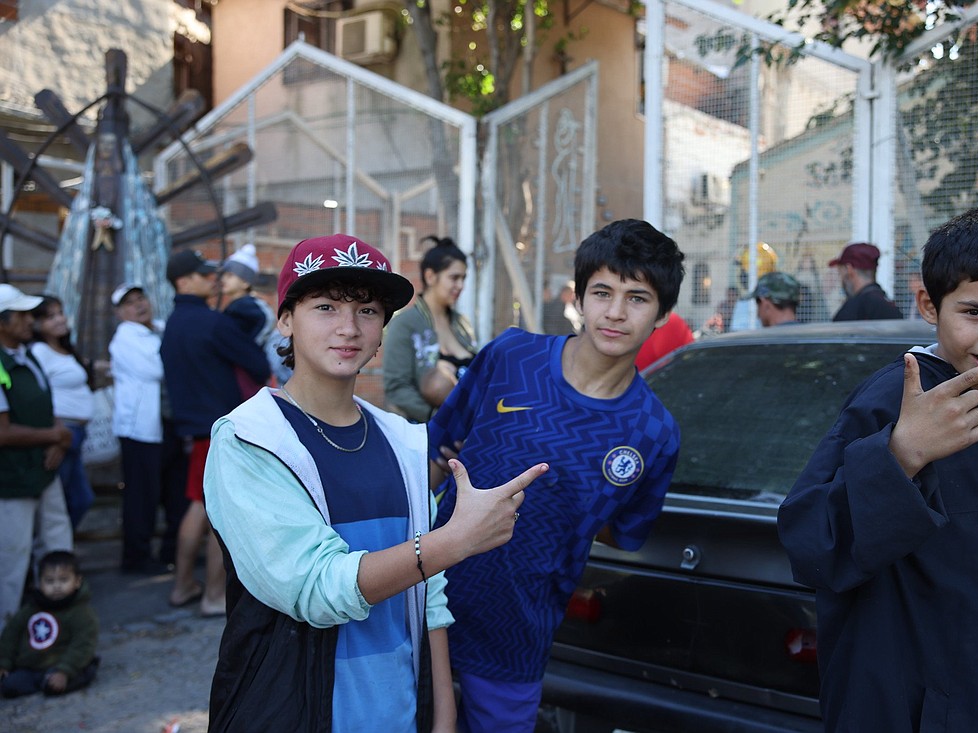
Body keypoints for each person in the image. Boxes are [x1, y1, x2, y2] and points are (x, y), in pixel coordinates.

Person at [202, 233, 547, 732]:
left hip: (397, 712)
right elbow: (315, 588)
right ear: (285, 319)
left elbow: (429, 597)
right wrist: (453, 541)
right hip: (290, 710)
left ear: (384, 327)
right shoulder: (250, 438)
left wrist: (443, 717)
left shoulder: (404, 440)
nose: (348, 328)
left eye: (367, 310)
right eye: (325, 307)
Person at [777, 207, 978, 731]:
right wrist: (901, 455)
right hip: (918, 708)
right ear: (929, 304)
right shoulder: (891, 402)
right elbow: (813, 547)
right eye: (974, 312)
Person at [429, 219, 684, 733]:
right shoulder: (511, 355)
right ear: (580, 297)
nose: (615, 312)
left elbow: (623, 531)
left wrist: (566, 513)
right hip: (424, 594)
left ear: (662, 314)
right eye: (602, 292)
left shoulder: (654, 432)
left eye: (637, 298)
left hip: (519, 628)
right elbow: (438, 448)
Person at [161, 248, 270, 616]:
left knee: (198, 505)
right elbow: (257, 363)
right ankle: (212, 596)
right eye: (203, 274)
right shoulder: (213, 322)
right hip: (222, 431)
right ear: (183, 281)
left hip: (193, 431)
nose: (212, 279)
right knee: (219, 516)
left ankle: (181, 587)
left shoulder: (171, 325)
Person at [0, 284, 73, 623]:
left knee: (57, 544)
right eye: (23, 315)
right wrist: (55, 435)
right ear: (3, 323)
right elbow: (3, 432)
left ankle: (62, 623)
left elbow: (45, 404)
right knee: (12, 560)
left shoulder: (26, 354)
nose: (32, 321)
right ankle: (8, 635)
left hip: (43, 471)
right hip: (12, 479)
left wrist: (58, 441)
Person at [109, 284, 189, 576]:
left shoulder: (159, 328)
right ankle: (136, 558)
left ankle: (172, 551)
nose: (138, 305)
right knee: (142, 495)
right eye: (129, 303)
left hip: (168, 425)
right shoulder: (125, 339)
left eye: (141, 298)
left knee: (174, 492)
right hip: (140, 430)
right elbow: (158, 367)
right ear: (120, 314)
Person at [382, 236, 477, 422]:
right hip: (424, 434)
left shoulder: (462, 324)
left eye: (464, 278)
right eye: (454, 277)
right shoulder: (404, 324)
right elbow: (396, 388)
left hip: (469, 429)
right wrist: (439, 420)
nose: (461, 286)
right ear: (430, 276)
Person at [30, 295, 96, 530]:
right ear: (36, 324)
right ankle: (50, 558)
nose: (59, 320)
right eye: (50, 317)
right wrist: (55, 434)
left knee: (80, 499)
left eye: (60, 313)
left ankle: (60, 554)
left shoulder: (64, 349)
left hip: (75, 433)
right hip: (61, 432)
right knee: (62, 502)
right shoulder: (39, 351)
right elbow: (39, 395)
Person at [0, 550, 98, 698]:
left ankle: (70, 676)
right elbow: (11, 634)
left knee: (66, 680)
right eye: (49, 581)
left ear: (77, 581)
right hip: (31, 667)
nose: (57, 586)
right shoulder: (31, 608)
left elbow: (82, 645)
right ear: (39, 583)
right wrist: (4, 663)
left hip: (62, 665)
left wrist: (64, 670)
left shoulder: (81, 613)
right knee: (8, 687)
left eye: (63, 580)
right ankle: (43, 683)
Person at [218, 243, 278, 400]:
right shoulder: (240, 306)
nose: (224, 279)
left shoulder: (245, 308)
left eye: (230, 276)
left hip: (248, 372)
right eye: (224, 275)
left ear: (245, 282)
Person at [828, 241, 903, 321]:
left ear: (849, 269)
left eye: (840, 272)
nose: (841, 278)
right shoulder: (888, 304)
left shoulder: (853, 308)